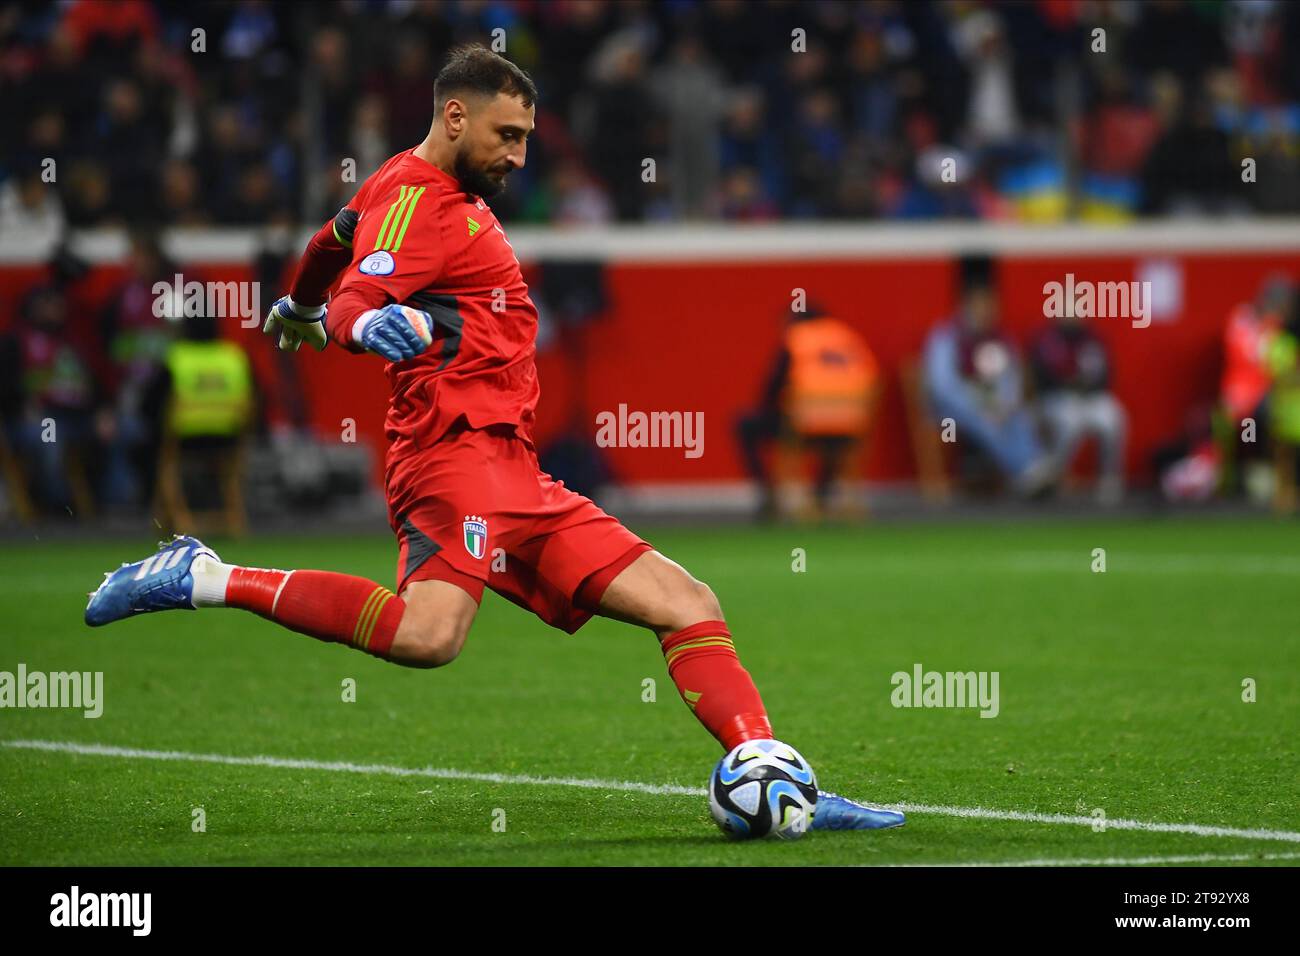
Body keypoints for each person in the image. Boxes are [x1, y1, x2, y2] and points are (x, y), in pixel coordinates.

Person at [84, 44, 901, 834]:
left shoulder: (407, 193)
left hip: (515, 467)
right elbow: (356, 291)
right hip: (449, 458)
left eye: (525, 140)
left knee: (688, 605)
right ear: (453, 115)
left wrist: (297, 304)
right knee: (429, 635)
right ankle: (208, 575)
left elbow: (331, 240)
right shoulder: (416, 202)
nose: (517, 155)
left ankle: (770, 772)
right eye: (506, 136)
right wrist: (360, 321)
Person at [922, 256, 1051, 496]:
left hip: (991, 403)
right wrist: (980, 405)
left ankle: (1035, 468)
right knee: (985, 422)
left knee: (1019, 416)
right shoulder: (947, 336)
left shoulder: (1000, 337)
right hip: (948, 417)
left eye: (989, 305)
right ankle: (1024, 473)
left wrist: (1004, 403)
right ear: (966, 306)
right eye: (979, 305)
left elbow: (1010, 379)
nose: (985, 311)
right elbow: (943, 388)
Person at [1029, 310, 1126, 504]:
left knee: (1114, 416)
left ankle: (1109, 479)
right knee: (1070, 423)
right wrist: (1069, 382)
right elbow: (1041, 379)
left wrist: (1085, 386)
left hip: (1091, 398)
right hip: (1058, 399)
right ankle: (1053, 476)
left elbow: (1106, 376)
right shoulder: (1046, 340)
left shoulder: (1093, 340)